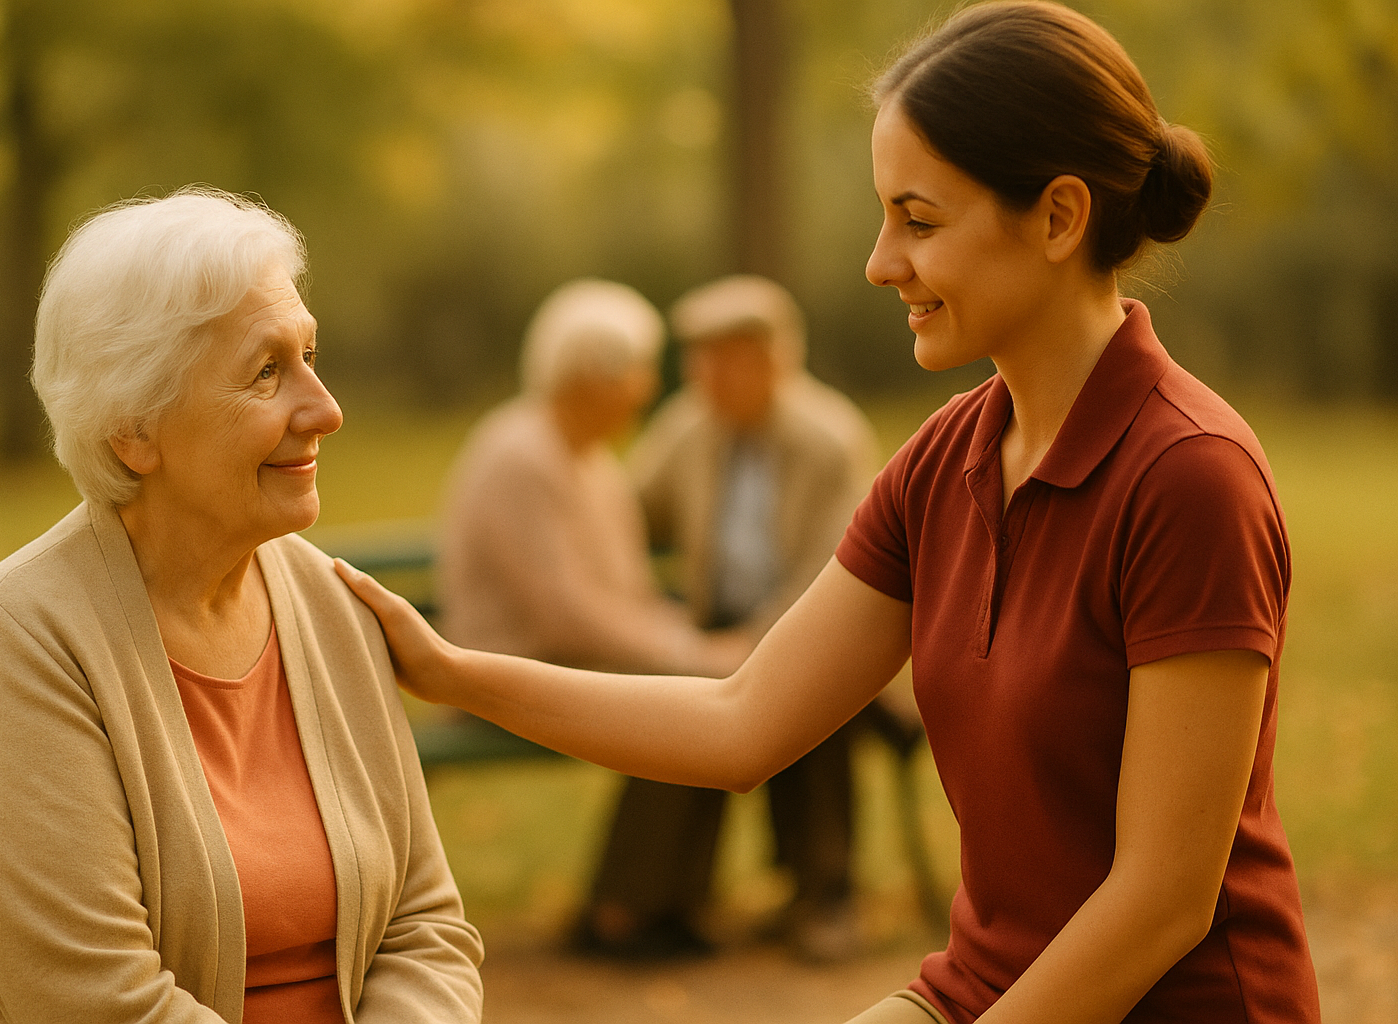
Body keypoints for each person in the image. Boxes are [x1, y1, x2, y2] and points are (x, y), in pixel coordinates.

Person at [338, 1, 1324, 1019]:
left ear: (1060, 217)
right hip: (981, 991)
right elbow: (740, 721)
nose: (880, 260)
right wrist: (451, 672)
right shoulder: (944, 464)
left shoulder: (1190, 478)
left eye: (919, 219)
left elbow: (1162, 902)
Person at [0, 189, 484, 1024]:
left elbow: (425, 926)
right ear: (134, 427)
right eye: (268, 371)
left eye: (311, 355)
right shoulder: (25, 639)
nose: (326, 409)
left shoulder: (328, 603)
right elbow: (99, 1004)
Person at [579, 274, 886, 962]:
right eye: (697, 358)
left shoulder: (829, 438)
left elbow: (833, 570)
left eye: (724, 358)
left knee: (817, 697)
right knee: (672, 697)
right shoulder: (689, 425)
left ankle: (826, 893)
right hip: (717, 622)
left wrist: (757, 645)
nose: (704, 376)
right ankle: (650, 897)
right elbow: (632, 509)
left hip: (821, 622)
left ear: (774, 359)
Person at [438, 279, 745, 959]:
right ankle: (618, 913)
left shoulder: (596, 465)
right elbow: (565, 615)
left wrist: (691, 647)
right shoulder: (520, 456)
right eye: (633, 371)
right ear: (587, 376)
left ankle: (666, 901)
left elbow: (626, 597)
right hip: (506, 670)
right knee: (678, 704)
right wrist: (691, 653)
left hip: (570, 660)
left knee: (709, 701)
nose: (644, 389)